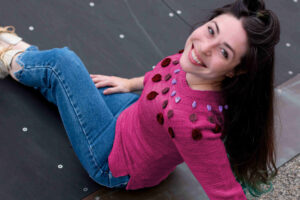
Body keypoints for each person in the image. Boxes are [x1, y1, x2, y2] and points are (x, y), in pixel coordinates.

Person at [0, 0, 280, 199]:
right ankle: (26, 61)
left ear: (237, 70)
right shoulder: (192, 63)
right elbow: (162, 76)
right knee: (64, 80)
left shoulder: (192, 124)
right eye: (211, 30)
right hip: (133, 116)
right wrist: (130, 83)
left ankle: (13, 57)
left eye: (224, 52)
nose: (204, 48)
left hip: (111, 160)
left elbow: (225, 192)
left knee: (63, 63)